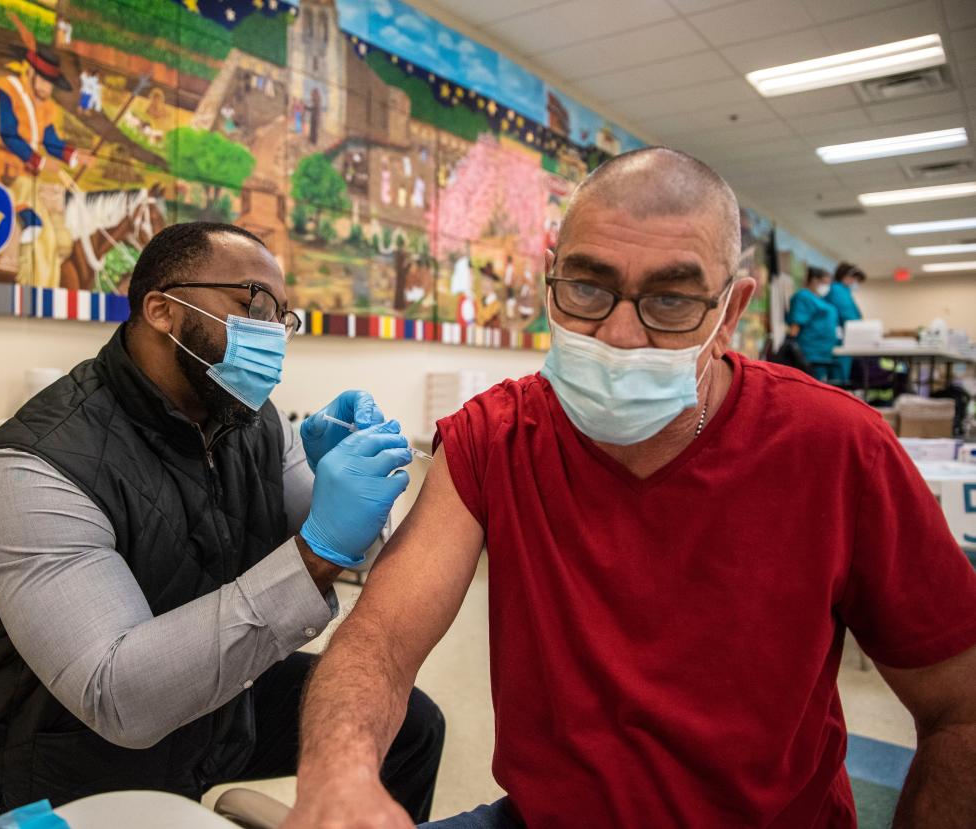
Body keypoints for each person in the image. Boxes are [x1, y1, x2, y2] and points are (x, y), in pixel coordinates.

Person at [282, 148, 976, 829]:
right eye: (587, 287)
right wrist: (338, 776)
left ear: (731, 308)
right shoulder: (496, 437)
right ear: (550, 279)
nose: (617, 333)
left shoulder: (835, 446)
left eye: (670, 298)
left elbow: (961, 707)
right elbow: (379, 641)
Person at [0, 223, 444, 823]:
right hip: (84, 752)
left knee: (410, 726)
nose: (271, 332)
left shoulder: (252, 422)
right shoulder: (32, 466)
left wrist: (350, 485)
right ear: (161, 309)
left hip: (224, 707)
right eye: (250, 303)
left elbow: (350, 549)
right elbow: (118, 696)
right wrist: (317, 551)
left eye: (280, 315)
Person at [0, 15, 89, 285]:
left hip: (30, 177)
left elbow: (51, 140)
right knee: (38, 228)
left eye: (51, 83)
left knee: (59, 236)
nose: (47, 88)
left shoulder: (46, 106)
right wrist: (42, 163)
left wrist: (74, 156)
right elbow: (9, 134)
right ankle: (27, 280)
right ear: (31, 72)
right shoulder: (8, 90)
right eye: (44, 81)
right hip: (9, 172)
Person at [787, 266, 840, 382]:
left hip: (823, 352)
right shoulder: (803, 296)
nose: (827, 286)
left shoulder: (821, 300)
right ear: (814, 280)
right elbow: (796, 324)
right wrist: (791, 344)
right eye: (825, 282)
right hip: (809, 351)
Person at [828, 261, 865, 384]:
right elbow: (848, 316)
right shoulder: (838, 291)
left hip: (842, 340)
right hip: (840, 341)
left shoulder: (842, 291)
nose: (855, 283)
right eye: (855, 279)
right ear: (847, 277)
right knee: (840, 381)